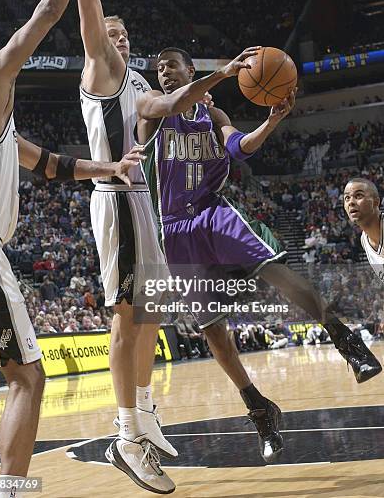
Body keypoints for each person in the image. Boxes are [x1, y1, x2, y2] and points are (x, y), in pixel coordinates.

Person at [136, 47, 382, 460]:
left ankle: (346, 342)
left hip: (213, 211)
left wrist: (270, 121)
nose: (163, 73)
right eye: (158, 68)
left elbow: (238, 148)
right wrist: (220, 76)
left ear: (189, 71)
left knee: (275, 270)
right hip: (175, 230)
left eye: (171, 66)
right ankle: (259, 406)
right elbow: (172, 103)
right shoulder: (153, 114)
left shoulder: (213, 117)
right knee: (212, 328)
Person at [0, 0, 133, 498]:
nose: (2, 60)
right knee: (28, 377)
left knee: (18, 375)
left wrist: (111, 168)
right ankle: (10, 493)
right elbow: (45, 17)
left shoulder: (2, 123)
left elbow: (47, 162)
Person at [34, 0, 176, 493]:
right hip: (114, 196)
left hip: (141, 197)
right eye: (108, 33)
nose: (114, 39)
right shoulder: (98, 66)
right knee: (125, 315)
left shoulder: (136, 78)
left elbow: (164, 103)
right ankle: (126, 435)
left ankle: (144, 412)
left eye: (122, 36)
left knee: (150, 312)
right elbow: (85, 0)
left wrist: (213, 82)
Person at [344, 178, 384, 283]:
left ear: (376, 202)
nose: (351, 202)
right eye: (347, 198)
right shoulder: (364, 240)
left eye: (358, 196)